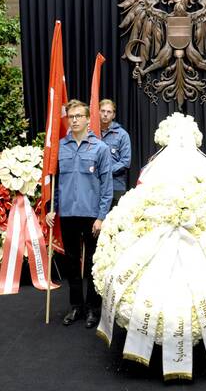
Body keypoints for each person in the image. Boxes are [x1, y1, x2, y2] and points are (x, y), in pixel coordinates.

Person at [46, 100, 113, 328]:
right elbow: (55, 184)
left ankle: (94, 309)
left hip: (92, 216)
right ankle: (76, 307)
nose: (73, 120)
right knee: (72, 264)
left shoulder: (100, 148)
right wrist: (51, 208)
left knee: (93, 264)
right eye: (70, 117)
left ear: (86, 119)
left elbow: (107, 186)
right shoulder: (60, 148)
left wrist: (101, 216)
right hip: (68, 215)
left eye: (77, 116)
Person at [99, 99, 131, 207]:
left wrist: (105, 171)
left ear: (113, 115)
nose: (105, 114)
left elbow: (125, 162)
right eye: (102, 111)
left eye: (109, 112)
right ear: (98, 112)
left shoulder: (122, 135)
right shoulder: (91, 133)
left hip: (115, 186)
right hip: (94, 187)